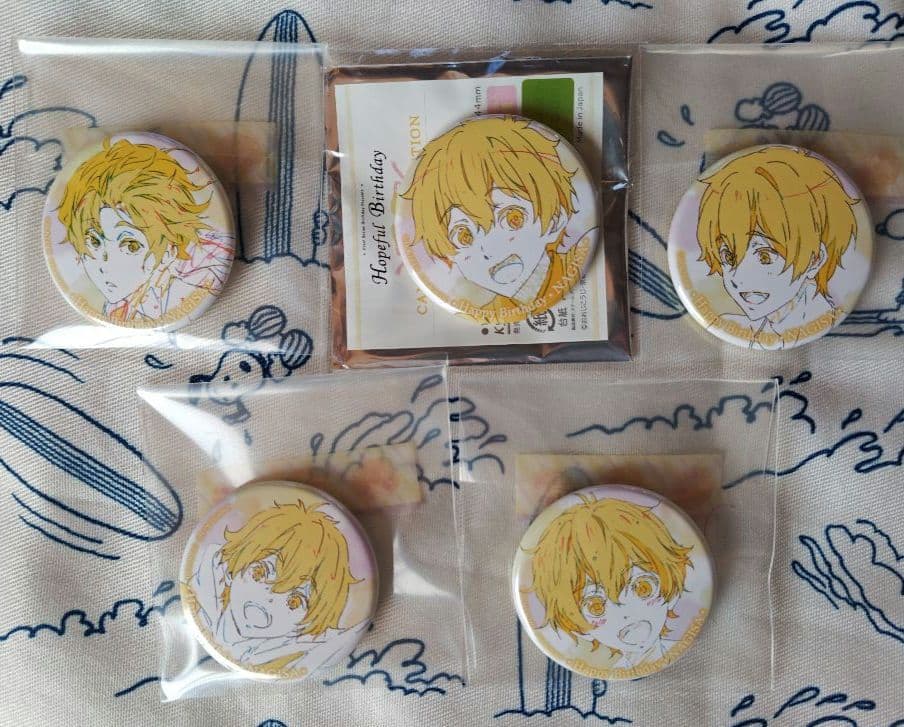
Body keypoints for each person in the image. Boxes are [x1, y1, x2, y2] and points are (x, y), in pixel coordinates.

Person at [400, 116, 589, 321]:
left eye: (513, 218)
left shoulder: (575, 263)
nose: (488, 250)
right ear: (449, 256)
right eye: (464, 237)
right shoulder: (489, 312)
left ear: (555, 220)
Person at [695, 146, 859, 348]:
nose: (739, 279)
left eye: (765, 257)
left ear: (815, 260)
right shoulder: (740, 326)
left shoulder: (824, 324)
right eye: (729, 257)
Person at [56, 136, 232, 323]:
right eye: (94, 241)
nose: (104, 265)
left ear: (170, 250)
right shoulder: (124, 306)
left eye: (131, 246)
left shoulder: (200, 276)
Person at [184, 499, 364, 673]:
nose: (269, 597)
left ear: (306, 623)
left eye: (294, 601)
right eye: (260, 572)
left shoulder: (302, 658)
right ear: (231, 570)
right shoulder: (197, 596)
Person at [526, 495, 692, 671]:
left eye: (643, 588)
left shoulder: (678, 650)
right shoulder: (615, 670)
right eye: (596, 606)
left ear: (672, 591)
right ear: (579, 628)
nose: (626, 613)